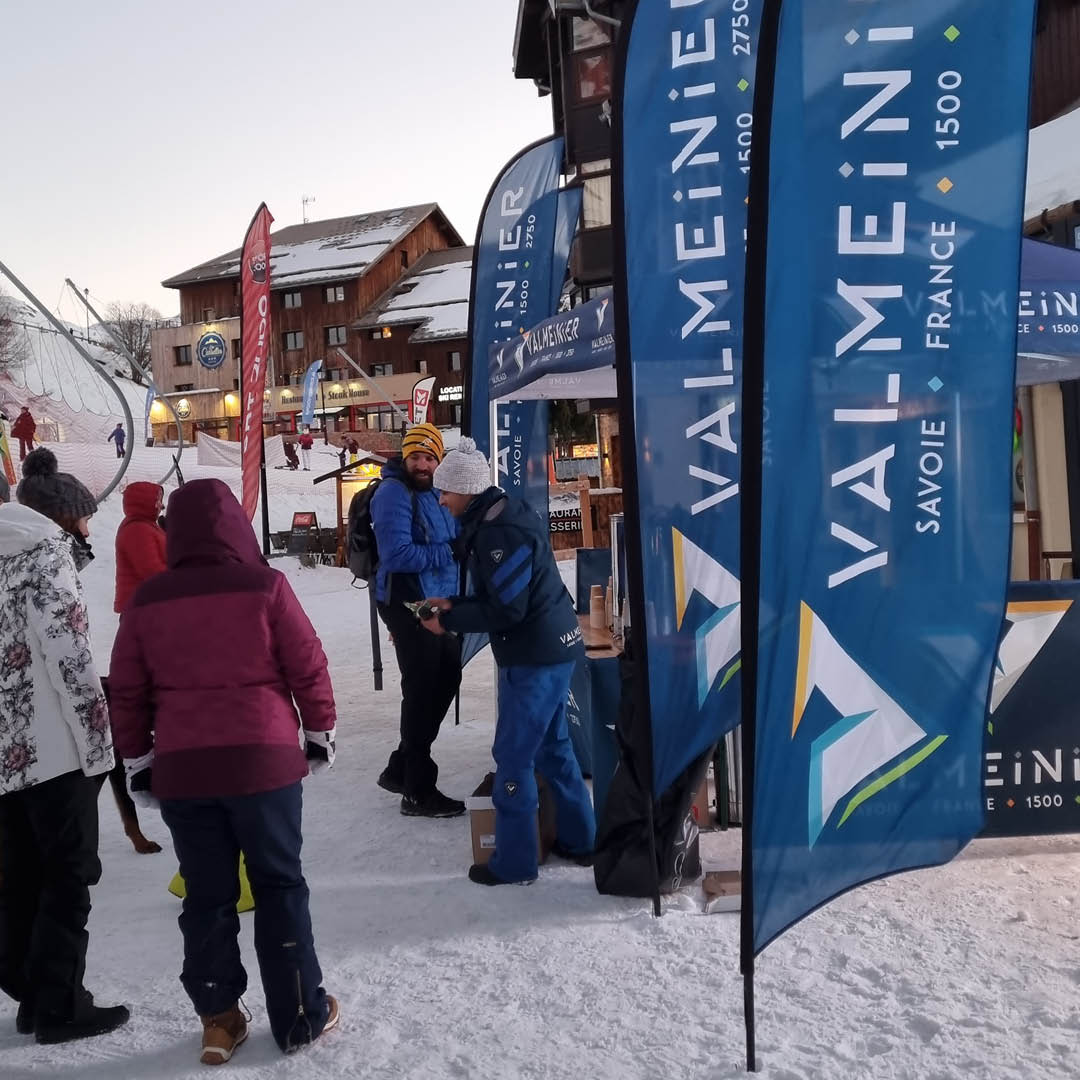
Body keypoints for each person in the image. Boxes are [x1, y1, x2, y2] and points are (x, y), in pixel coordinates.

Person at [108, 478, 339, 1064]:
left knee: (207, 896)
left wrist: (138, 762)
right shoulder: (267, 585)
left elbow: (128, 694)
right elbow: (308, 664)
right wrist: (318, 734)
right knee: (279, 884)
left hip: (186, 770)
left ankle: (218, 1019)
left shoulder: (149, 601)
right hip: (264, 763)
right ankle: (298, 1017)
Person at [420, 437, 595, 886]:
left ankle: (515, 863)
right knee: (553, 749)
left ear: (468, 489)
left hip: (537, 655)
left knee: (514, 755)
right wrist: (453, 603)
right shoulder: (498, 517)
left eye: (447, 492)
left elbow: (508, 609)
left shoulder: (501, 531)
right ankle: (581, 840)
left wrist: (450, 619)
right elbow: (502, 594)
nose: (441, 500)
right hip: (546, 648)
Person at [0, 448, 130, 1042]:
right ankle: (58, 1005)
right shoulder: (42, 552)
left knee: (19, 873)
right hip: (55, 751)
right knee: (69, 874)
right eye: (84, 518)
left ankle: (32, 993)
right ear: (64, 518)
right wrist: (100, 747)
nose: (88, 529)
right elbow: (68, 656)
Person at [370, 423, 464, 817]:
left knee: (447, 680)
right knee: (423, 689)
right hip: (408, 602)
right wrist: (451, 551)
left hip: (436, 602)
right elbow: (397, 555)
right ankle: (417, 790)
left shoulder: (436, 494)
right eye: (415, 457)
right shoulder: (393, 492)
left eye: (429, 457)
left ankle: (401, 767)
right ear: (404, 459)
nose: (422, 464)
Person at [113, 482, 166, 614]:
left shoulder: (145, 525)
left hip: (146, 602)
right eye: (158, 501)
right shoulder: (137, 530)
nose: (162, 506)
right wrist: (178, 579)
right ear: (145, 503)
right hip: (140, 605)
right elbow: (151, 569)